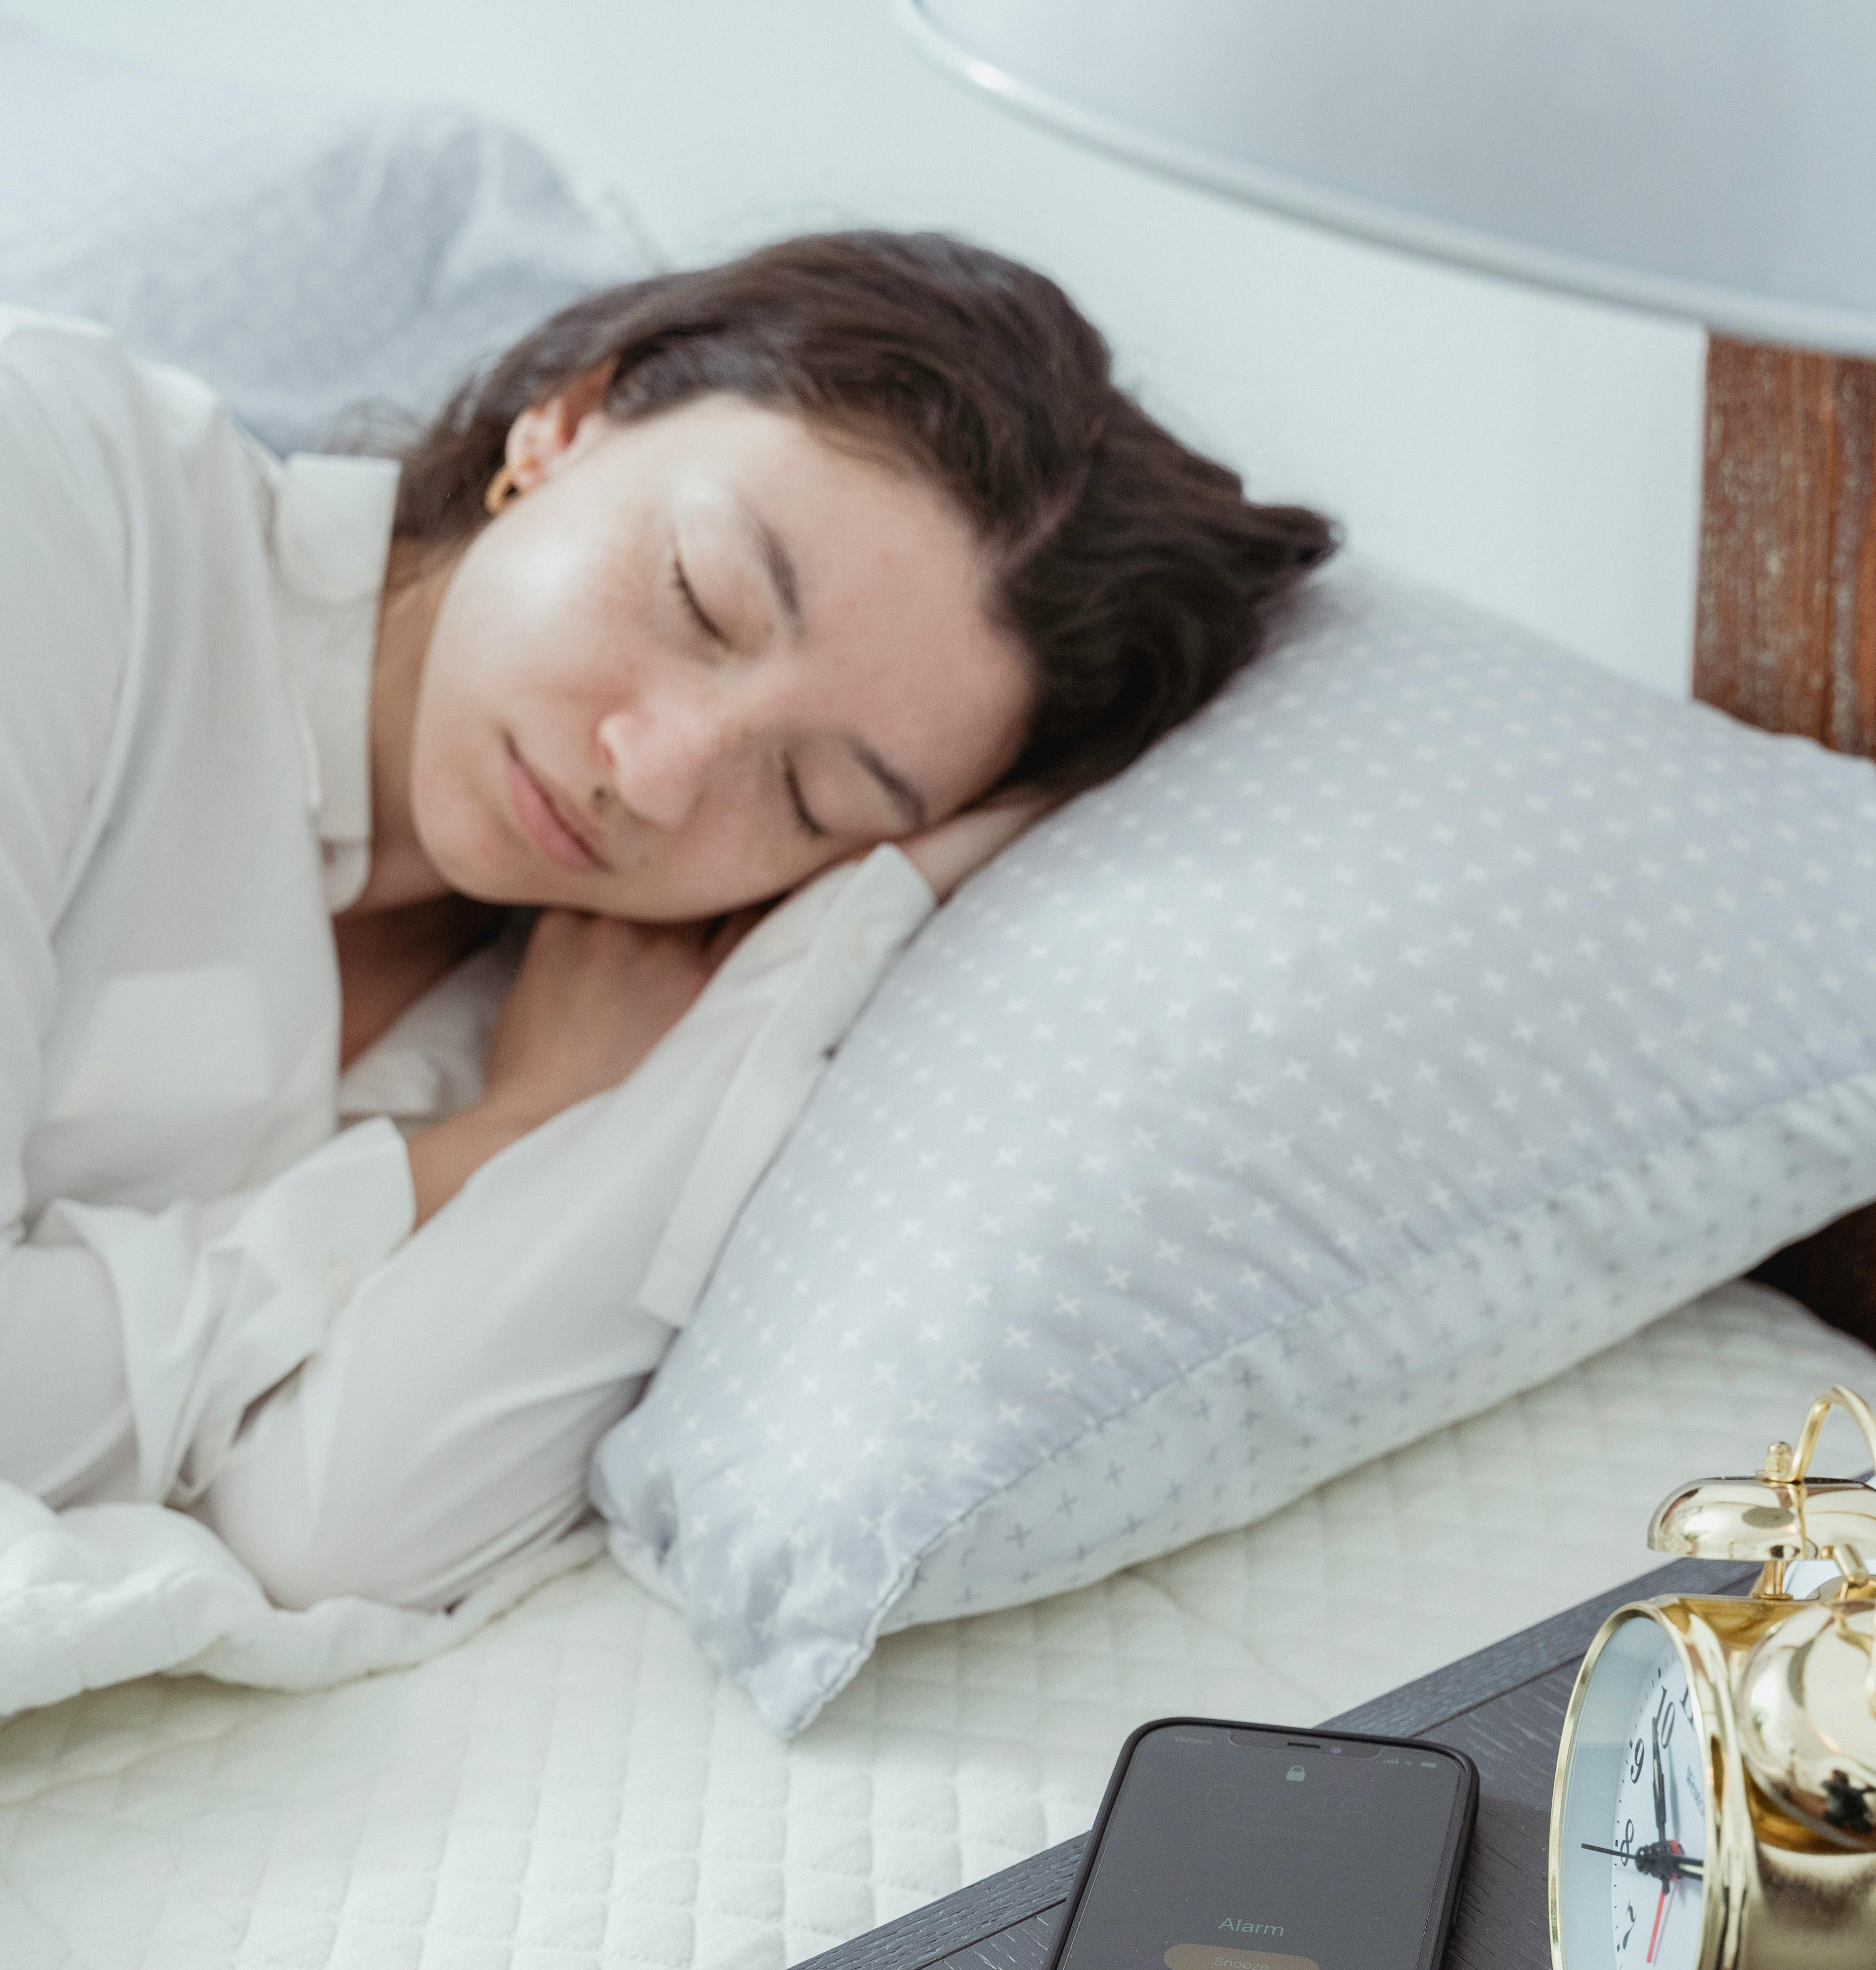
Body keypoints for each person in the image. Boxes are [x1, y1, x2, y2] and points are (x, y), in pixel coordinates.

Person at [0, 231, 1333, 1614]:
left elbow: (342, 1533)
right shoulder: (61, 492)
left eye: (808, 795)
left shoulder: (561, 1014)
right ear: (567, 423)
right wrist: (471, 1156)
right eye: (702, 601)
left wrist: (837, 942)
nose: (655, 773)